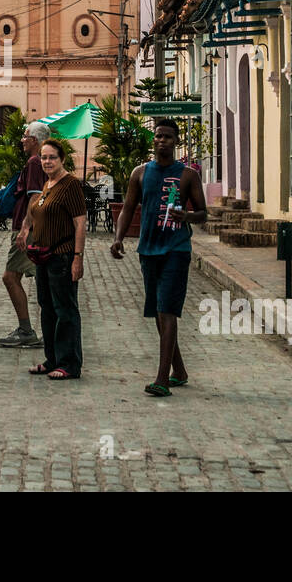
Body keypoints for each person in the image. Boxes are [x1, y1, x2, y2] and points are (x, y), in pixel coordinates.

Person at [110, 118, 208, 397]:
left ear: (176, 141)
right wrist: (118, 238)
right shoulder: (140, 173)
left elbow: (203, 213)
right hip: (148, 250)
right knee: (157, 310)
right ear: (153, 140)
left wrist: (186, 216)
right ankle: (179, 371)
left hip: (176, 249)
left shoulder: (188, 175)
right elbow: (128, 208)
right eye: (158, 136)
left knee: (167, 311)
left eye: (167, 136)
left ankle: (162, 379)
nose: (162, 140)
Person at [23, 139, 87, 380]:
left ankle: (69, 363)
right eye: (44, 157)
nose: (47, 161)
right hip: (44, 257)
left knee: (65, 309)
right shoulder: (48, 184)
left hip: (62, 256)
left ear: (62, 159)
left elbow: (80, 223)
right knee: (47, 308)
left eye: (52, 157)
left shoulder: (70, 185)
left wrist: (77, 258)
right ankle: (53, 359)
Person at [0, 121, 51, 348]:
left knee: (11, 277)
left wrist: (25, 229)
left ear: (34, 140)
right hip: (34, 228)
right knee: (41, 279)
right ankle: (46, 330)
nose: (22, 140)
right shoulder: (40, 161)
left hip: (28, 229)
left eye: (25, 136)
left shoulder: (35, 162)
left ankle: (27, 330)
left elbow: (35, 196)